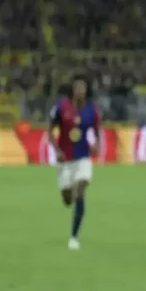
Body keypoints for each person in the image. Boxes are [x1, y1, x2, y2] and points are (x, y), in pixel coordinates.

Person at [48, 75, 100, 250]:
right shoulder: (61, 107)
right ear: (72, 90)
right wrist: (57, 149)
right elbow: (50, 129)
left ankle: (74, 236)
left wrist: (96, 144)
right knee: (68, 198)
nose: (80, 91)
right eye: (77, 87)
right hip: (66, 161)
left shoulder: (92, 110)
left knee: (81, 189)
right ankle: (69, 194)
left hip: (83, 158)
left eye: (83, 88)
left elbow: (97, 131)